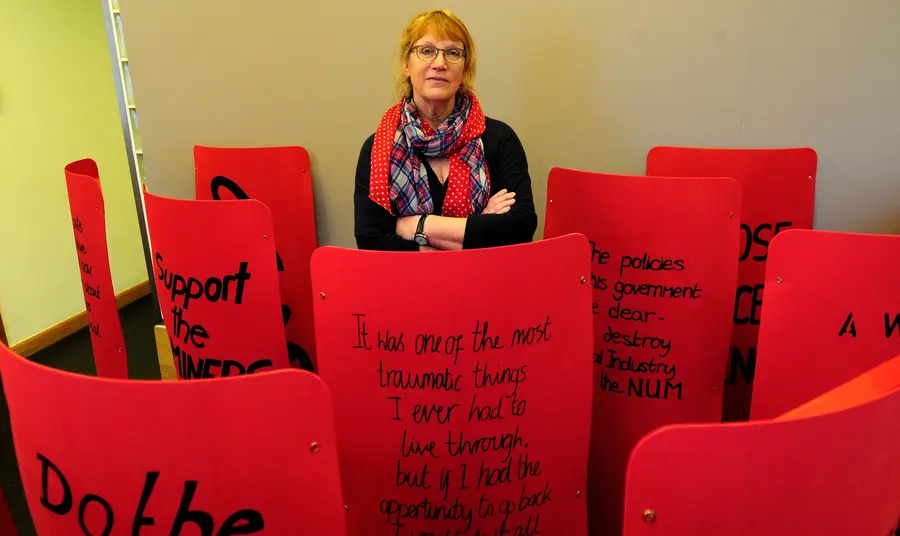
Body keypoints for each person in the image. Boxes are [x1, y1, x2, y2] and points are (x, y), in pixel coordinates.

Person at [354, 9, 538, 251]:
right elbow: (371, 240)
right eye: (427, 51)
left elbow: (520, 228)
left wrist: (418, 226)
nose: (439, 64)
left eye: (453, 53)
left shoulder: (498, 138)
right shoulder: (380, 147)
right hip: (407, 286)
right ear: (406, 65)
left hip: (487, 284)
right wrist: (480, 225)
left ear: (464, 70)